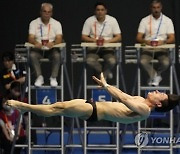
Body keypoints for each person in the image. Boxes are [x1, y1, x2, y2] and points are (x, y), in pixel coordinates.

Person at [5, 73, 179, 124]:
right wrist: (106, 86)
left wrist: (107, 87)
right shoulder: (141, 99)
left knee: (56, 109)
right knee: (57, 107)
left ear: (158, 103)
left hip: (94, 111)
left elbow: (124, 100)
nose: (156, 90)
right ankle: (23, 107)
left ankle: (21, 106)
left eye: (160, 93)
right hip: (93, 107)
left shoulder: (145, 110)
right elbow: (123, 94)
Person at [136, 0, 175, 86]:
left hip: (162, 48)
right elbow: (138, 37)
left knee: (166, 63)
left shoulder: (167, 21)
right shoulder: (144, 20)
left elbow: (172, 38)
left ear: (161, 8)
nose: (156, 10)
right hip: (148, 48)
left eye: (158, 7)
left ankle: (156, 75)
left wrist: (164, 41)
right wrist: (146, 41)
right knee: (142, 61)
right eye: (154, 8)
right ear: (151, 8)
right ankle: (155, 75)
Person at [81, 2, 121, 79]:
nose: (100, 12)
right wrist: (94, 40)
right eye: (98, 10)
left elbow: (119, 37)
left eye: (102, 10)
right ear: (95, 11)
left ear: (106, 11)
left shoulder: (112, 20)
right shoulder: (89, 20)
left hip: (107, 48)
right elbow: (83, 37)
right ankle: (105, 73)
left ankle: (102, 77)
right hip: (94, 48)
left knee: (112, 61)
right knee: (89, 60)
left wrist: (107, 41)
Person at [28, 3, 63, 87]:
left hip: (51, 49)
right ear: (40, 12)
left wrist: (53, 43)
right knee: (32, 55)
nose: (47, 14)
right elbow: (30, 37)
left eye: (49, 12)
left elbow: (59, 38)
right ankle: (39, 77)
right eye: (44, 11)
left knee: (57, 55)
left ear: (51, 13)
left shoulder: (56, 23)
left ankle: (53, 77)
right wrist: (36, 43)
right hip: (38, 49)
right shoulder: (34, 23)